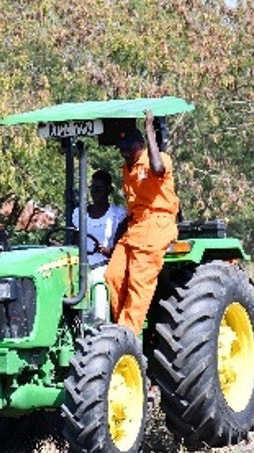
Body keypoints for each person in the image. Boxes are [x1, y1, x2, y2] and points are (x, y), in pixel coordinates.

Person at [104, 109, 180, 336]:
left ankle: (125, 335)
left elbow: (157, 169)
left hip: (157, 226)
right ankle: (122, 332)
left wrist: (149, 130)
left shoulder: (157, 160)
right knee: (113, 276)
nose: (125, 153)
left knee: (139, 282)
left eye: (129, 148)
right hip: (135, 228)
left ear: (141, 144)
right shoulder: (127, 169)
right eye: (122, 149)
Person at [72, 169, 127, 321]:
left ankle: (99, 322)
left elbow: (120, 249)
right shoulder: (79, 214)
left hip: (104, 263)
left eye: (100, 188)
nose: (96, 192)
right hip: (81, 263)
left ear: (109, 190)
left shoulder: (118, 215)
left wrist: (105, 250)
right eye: (93, 188)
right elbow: (74, 240)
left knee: (97, 279)